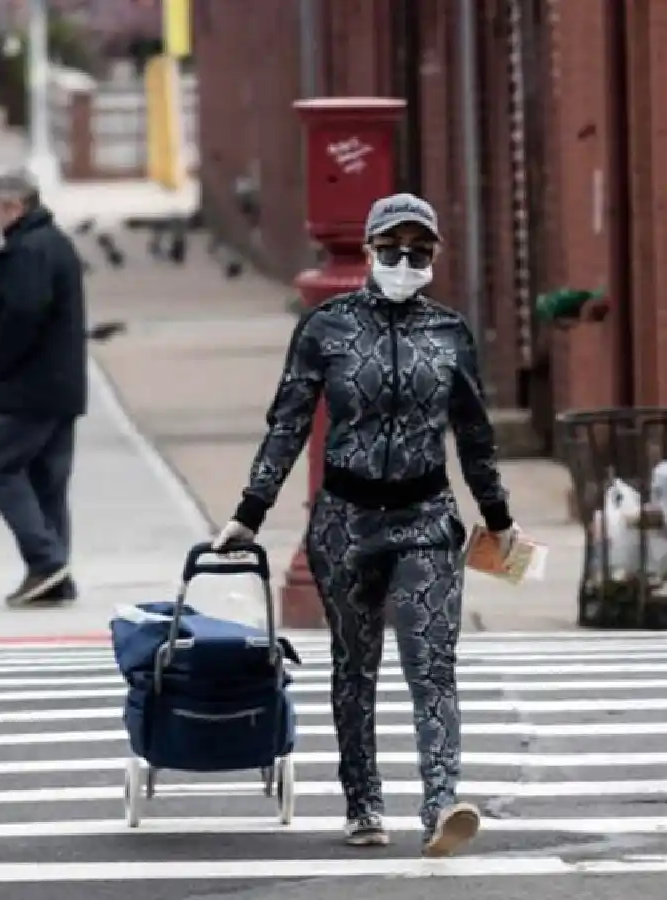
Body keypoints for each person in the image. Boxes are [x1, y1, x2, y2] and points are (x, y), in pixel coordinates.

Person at [213, 193, 518, 857]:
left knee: (431, 665)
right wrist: (249, 514)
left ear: (435, 255)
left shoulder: (450, 334)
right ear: (370, 252)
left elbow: (475, 436)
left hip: (427, 519)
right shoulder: (327, 328)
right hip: (345, 523)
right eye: (391, 249)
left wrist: (499, 521)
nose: (405, 261)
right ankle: (363, 799)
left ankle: (441, 806)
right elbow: (288, 423)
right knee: (357, 665)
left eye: (419, 250)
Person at [0, 169, 88, 607]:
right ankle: (55, 578)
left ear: (14, 207)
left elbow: (23, 313)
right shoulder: (50, 244)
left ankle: (47, 561)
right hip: (60, 387)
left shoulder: (26, 252)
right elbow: (20, 298)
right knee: (47, 481)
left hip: (27, 389)